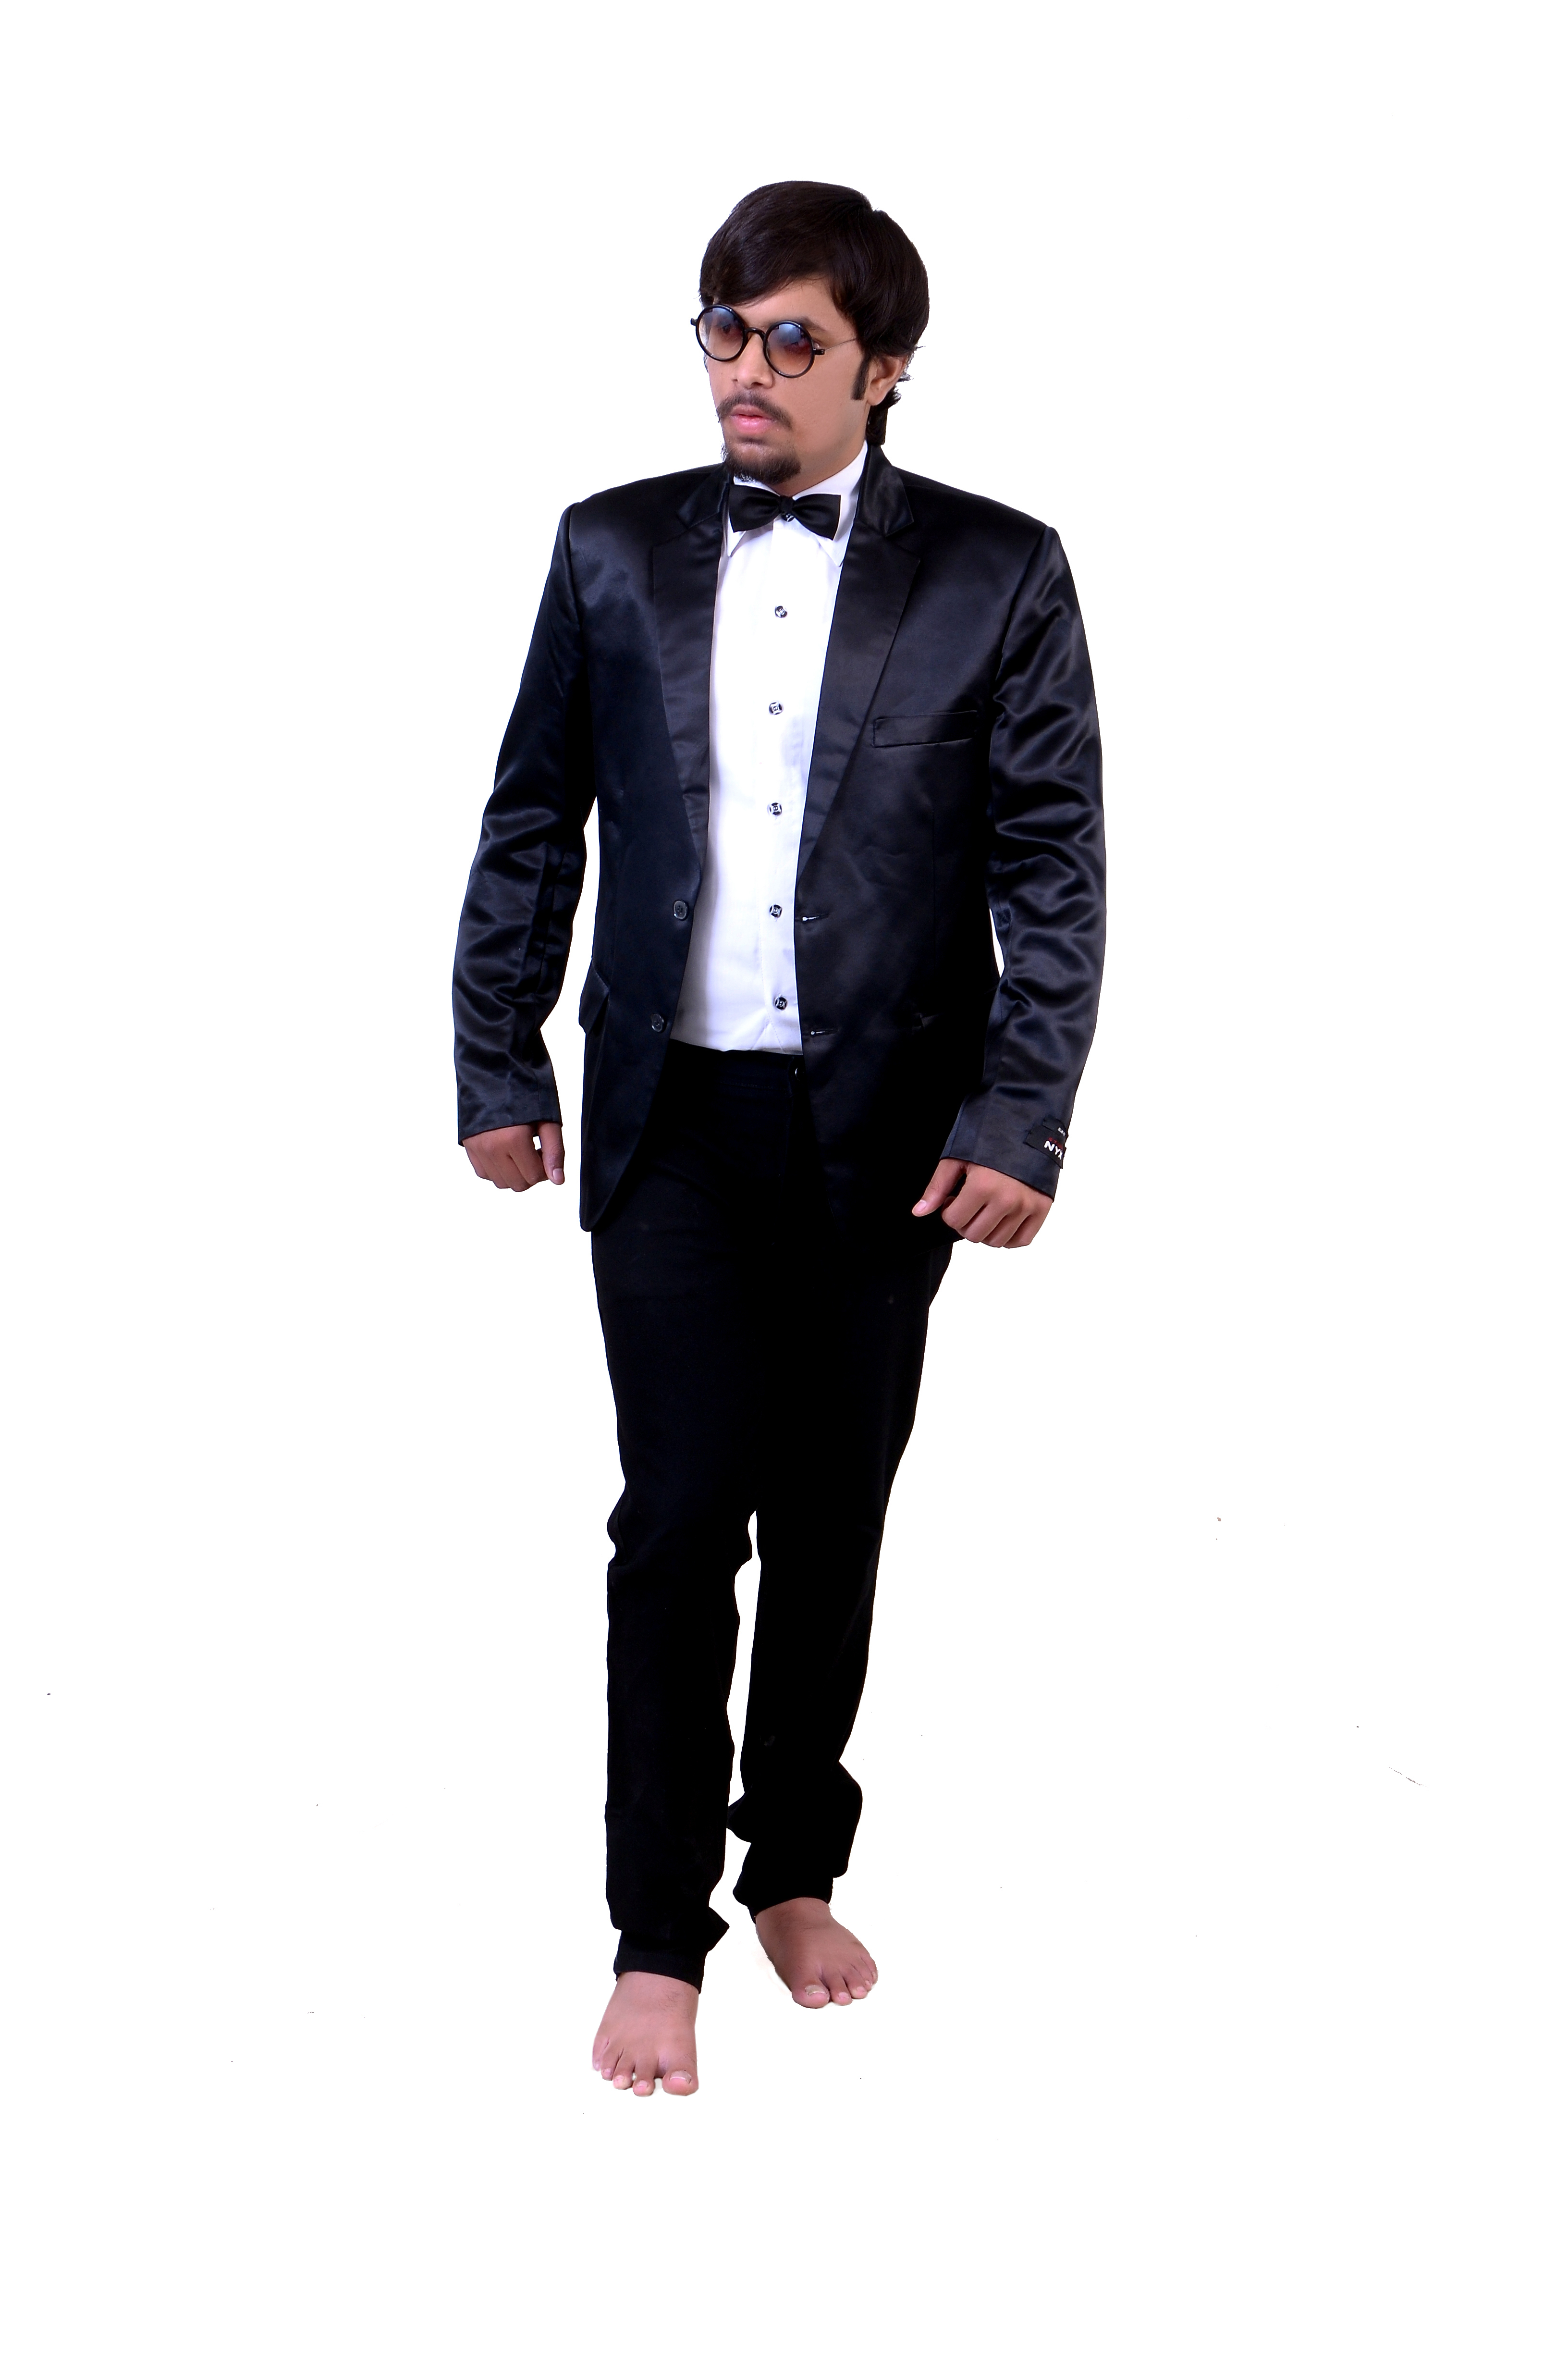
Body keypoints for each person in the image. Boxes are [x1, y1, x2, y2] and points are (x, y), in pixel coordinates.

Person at [453, 181, 1105, 2097]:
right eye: (724, 331)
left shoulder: (998, 570)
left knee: (833, 1513)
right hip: (667, 1114)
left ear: (883, 367)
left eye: (792, 339)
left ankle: (795, 1866)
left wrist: (1024, 1112)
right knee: (677, 1517)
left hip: (891, 1128)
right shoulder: (610, 546)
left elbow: (1052, 862)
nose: (746, 369)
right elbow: (534, 813)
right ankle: (657, 1934)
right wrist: (497, 1058)